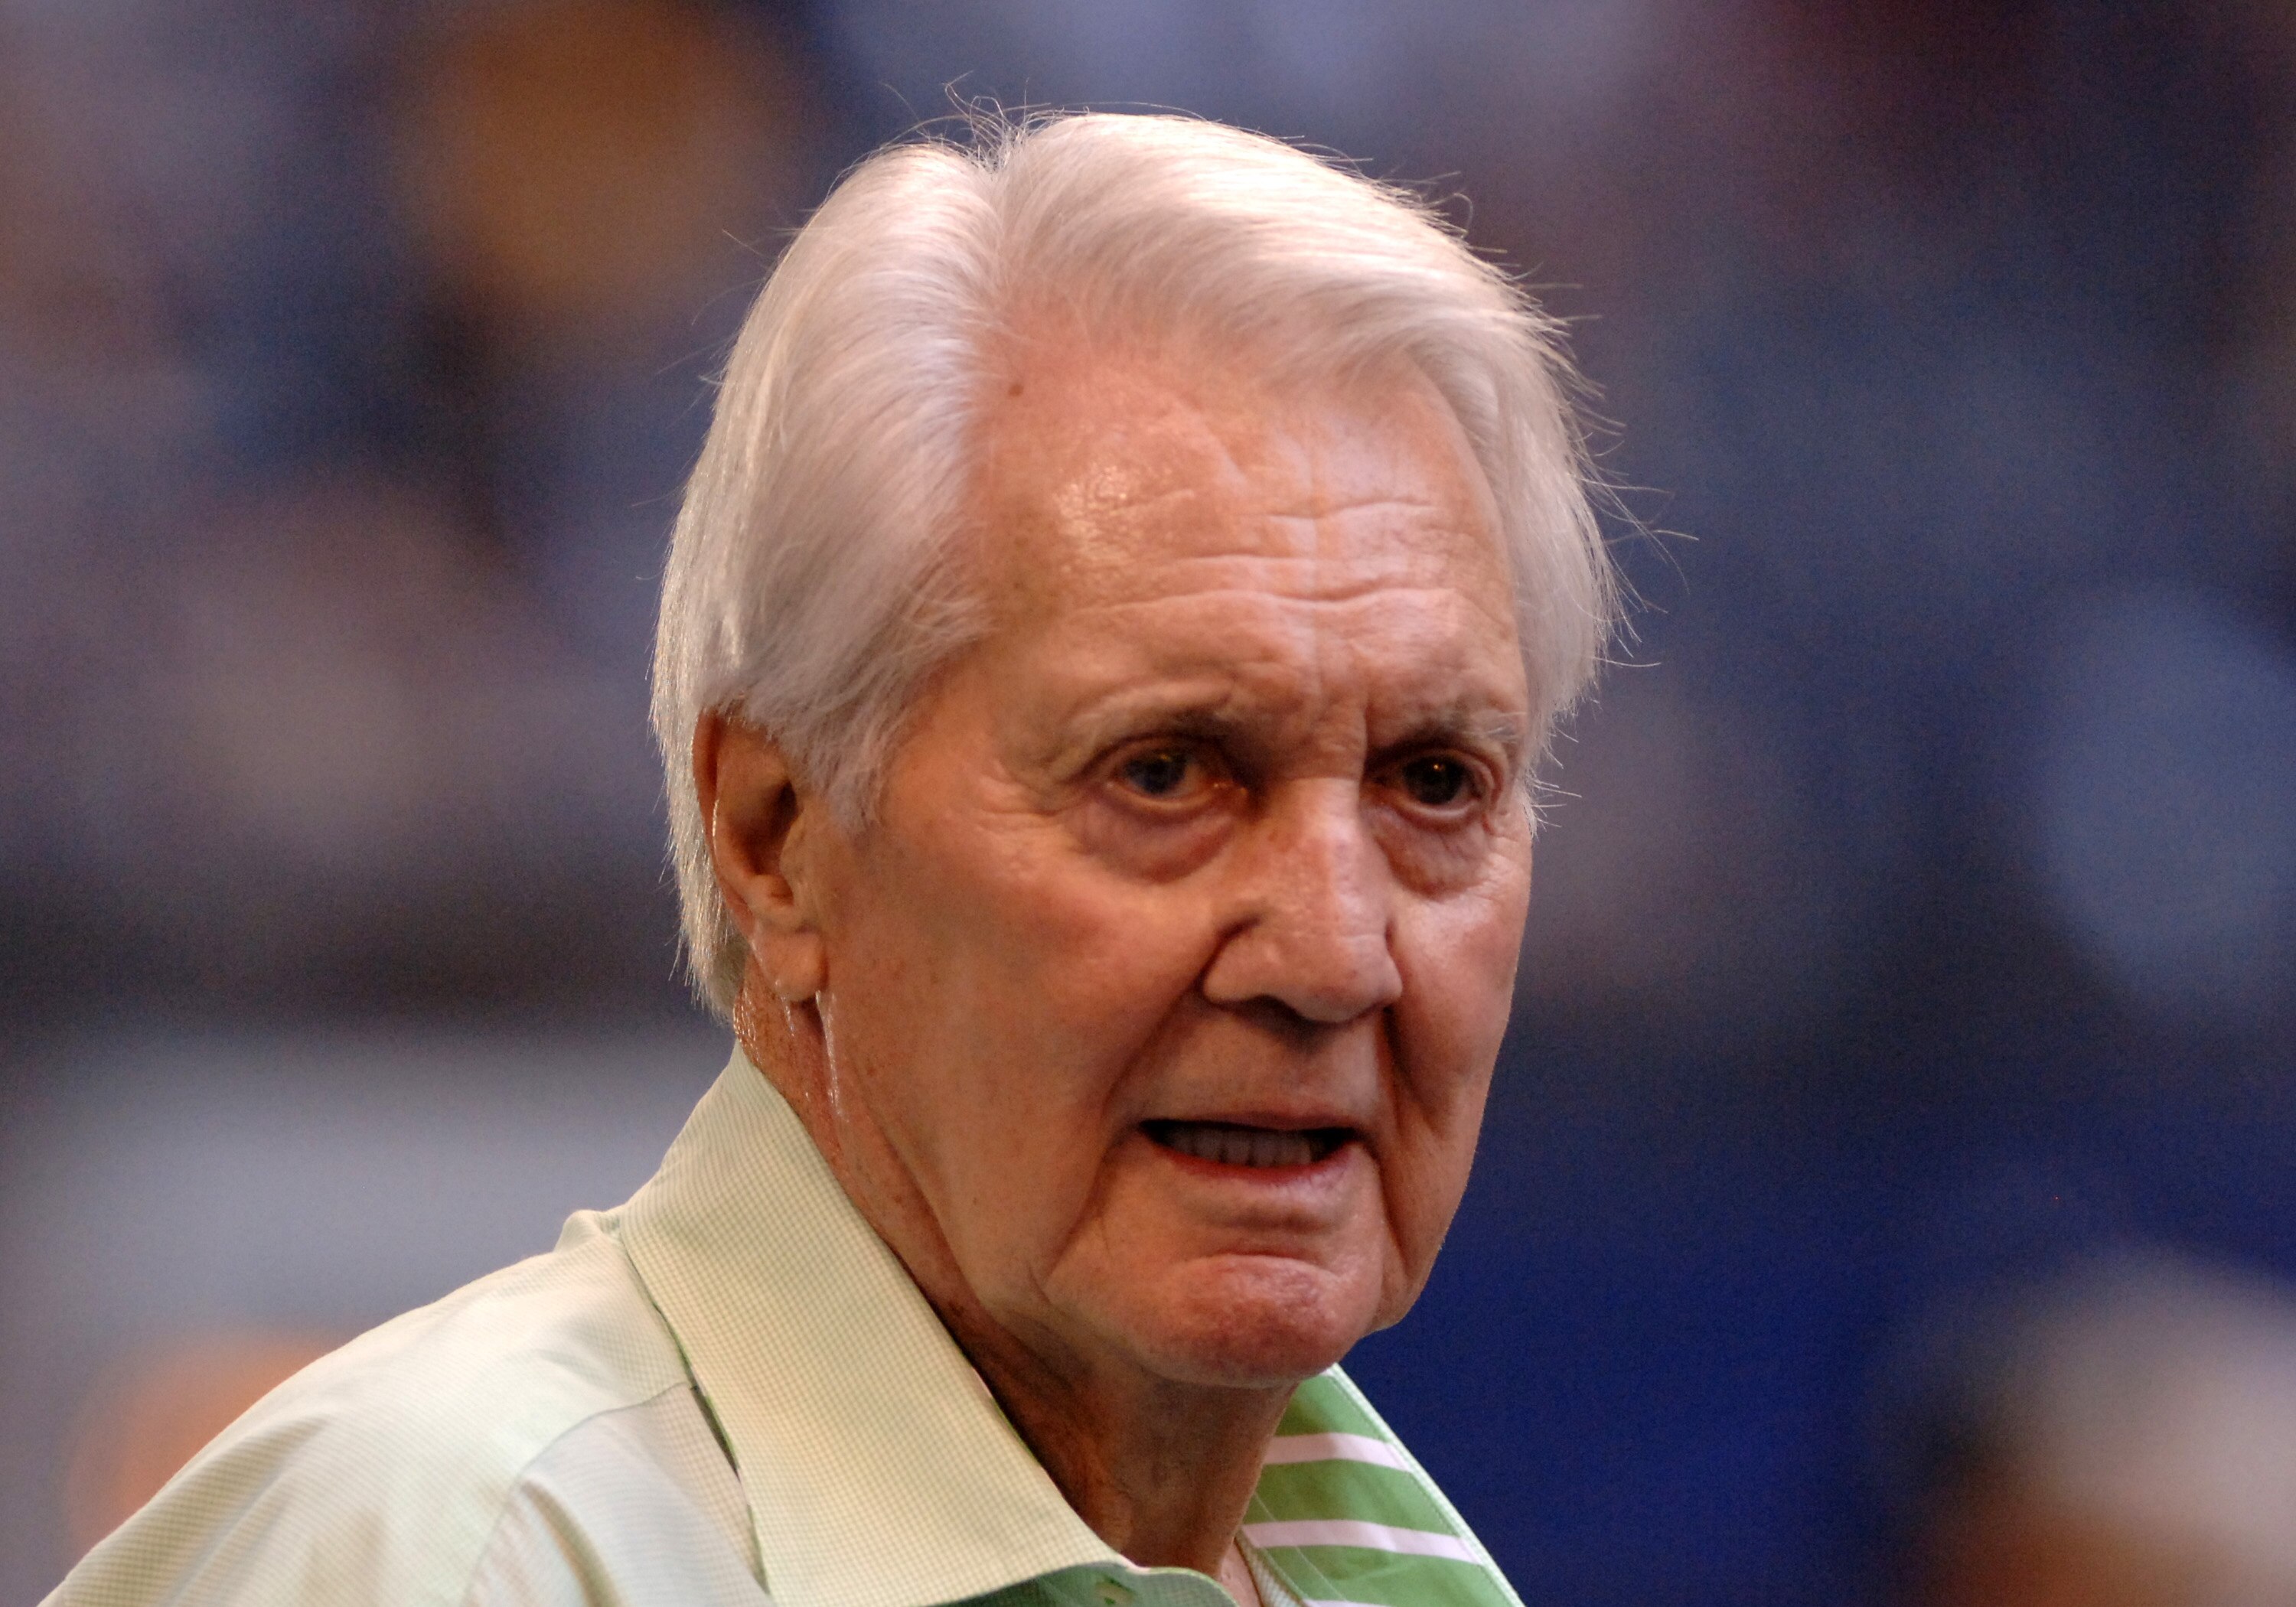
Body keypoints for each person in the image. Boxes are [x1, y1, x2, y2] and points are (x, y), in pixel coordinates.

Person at [47, 112, 1617, 1607]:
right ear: (776, 840)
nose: (1336, 950)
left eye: (1434, 781)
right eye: (1164, 773)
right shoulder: (460, 1559)